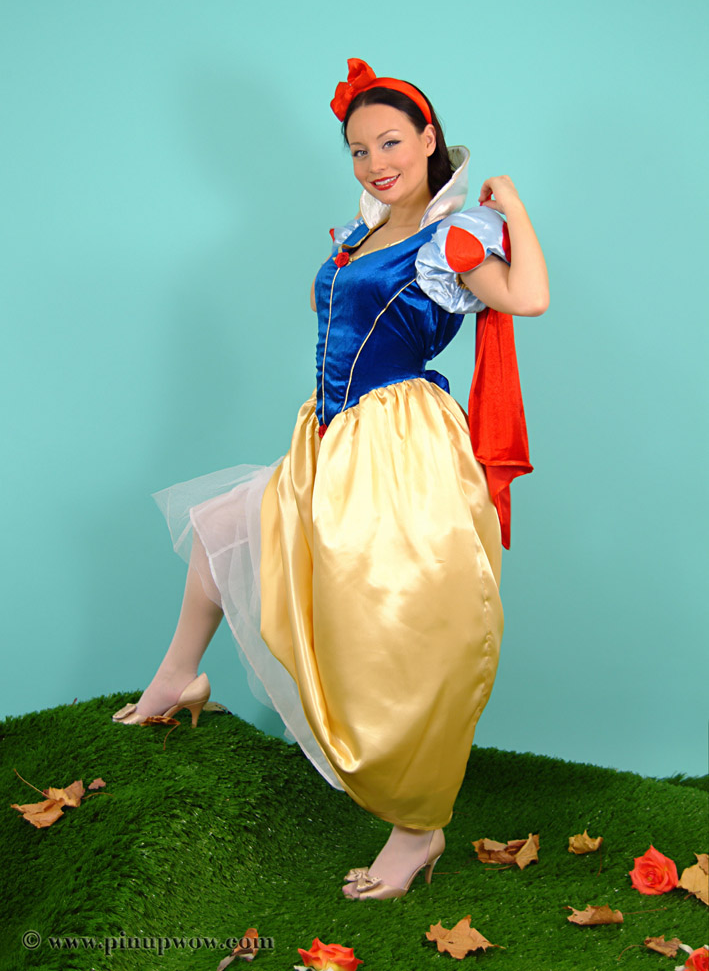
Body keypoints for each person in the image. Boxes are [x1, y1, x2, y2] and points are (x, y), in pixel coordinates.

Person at [112, 57, 549, 901]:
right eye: (357, 149)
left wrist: (515, 209)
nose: (374, 162)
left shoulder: (452, 237)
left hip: (396, 445)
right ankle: (176, 678)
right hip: (331, 434)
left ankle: (416, 828)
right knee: (224, 522)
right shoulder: (364, 232)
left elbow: (525, 298)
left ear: (428, 139)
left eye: (390, 142)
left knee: (391, 630)